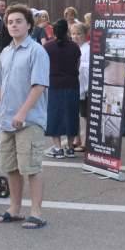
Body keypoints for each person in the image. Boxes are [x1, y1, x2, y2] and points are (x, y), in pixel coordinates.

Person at [0, 4, 49, 229]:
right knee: (11, 168)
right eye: (10, 22)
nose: (14, 25)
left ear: (29, 25)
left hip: (29, 121)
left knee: (31, 168)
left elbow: (39, 87)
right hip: (6, 121)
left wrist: (22, 113)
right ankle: (14, 209)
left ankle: (36, 213)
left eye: (18, 21)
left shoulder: (37, 51)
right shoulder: (6, 52)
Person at [43, 19, 81, 158]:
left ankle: (58, 148)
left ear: (53, 31)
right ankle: (70, 148)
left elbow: (44, 66)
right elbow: (77, 65)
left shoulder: (47, 47)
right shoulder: (75, 47)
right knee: (72, 115)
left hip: (54, 84)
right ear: (67, 31)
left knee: (54, 115)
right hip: (72, 84)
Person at [71, 22, 90, 151]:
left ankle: (84, 141)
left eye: (79, 34)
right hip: (74, 86)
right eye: (73, 34)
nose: (76, 36)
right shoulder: (72, 47)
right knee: (75, 114)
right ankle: (77, 138)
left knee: (83, 115)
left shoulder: (87, 49)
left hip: (84, 87)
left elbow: (86, 69)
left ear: (85, 35)